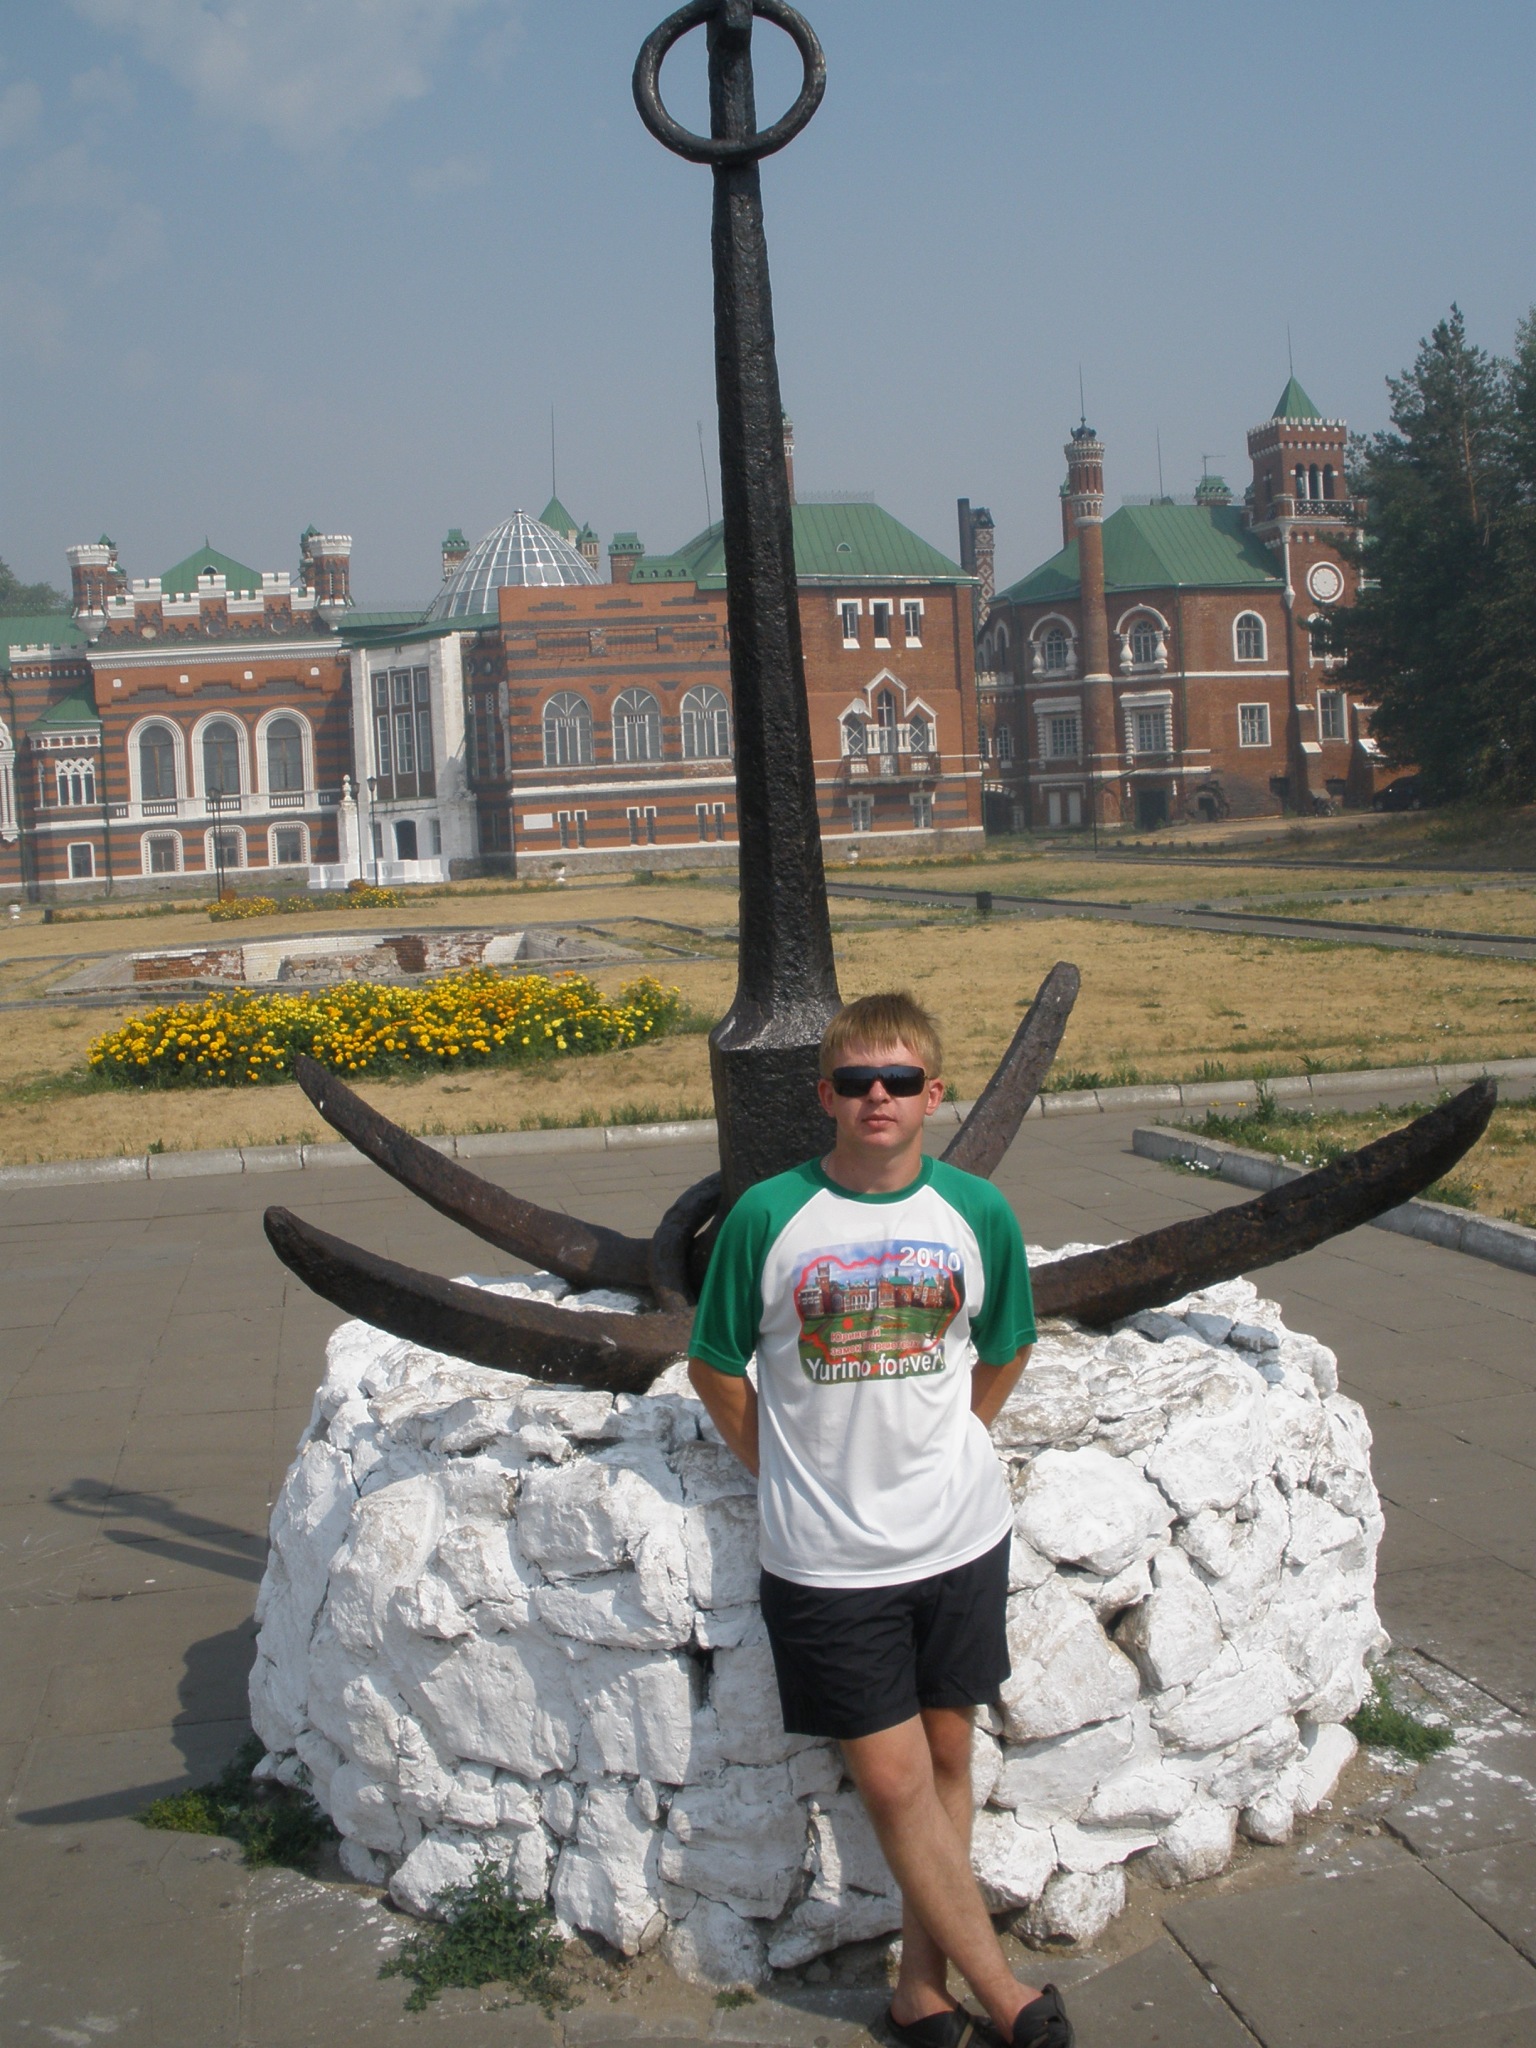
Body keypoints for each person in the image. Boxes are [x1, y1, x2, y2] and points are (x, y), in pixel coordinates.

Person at [687, 992, 1072, 2048]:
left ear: (932, 1093)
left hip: (959, 1537)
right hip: (827, 1559)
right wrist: (781, 1471)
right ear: (825, 1095)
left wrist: (961, 1440)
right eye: (856, 1081)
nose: (878, 1098)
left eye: (899, 1080)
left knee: (948, 1759)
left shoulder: (977, 1213)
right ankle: (1008, 1997)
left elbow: (1008, 1342)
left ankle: (918, 1993)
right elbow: (715, 1365)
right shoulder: (768, 1217)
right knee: (895, 1781)